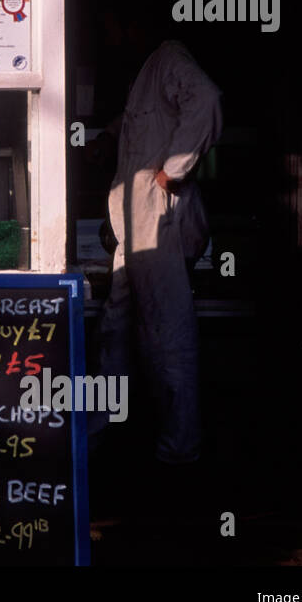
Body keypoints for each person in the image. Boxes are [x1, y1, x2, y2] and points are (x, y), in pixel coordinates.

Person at [91, 32, 222, 476]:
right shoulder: (145, 73)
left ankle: (180, 451)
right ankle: (104, 429)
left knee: (168, 330)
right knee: (116, 326)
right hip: (135, 224)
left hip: (158, 220)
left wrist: (173, 170)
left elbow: (205, 99)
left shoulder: (168, 56)